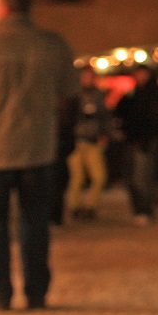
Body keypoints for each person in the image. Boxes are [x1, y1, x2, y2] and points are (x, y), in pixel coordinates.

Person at [0, 0, 76, 309]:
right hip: (39, 147)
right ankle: (36, 292)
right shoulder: (52, 45)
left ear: (3, 7)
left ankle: (1, 294)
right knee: (35, 222)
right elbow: (69, 93)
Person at [115, 64, 158, 224]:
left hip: (146, 142)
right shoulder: (131, 95)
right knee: (132, 178)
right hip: (131, 141)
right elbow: (120, 112)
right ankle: (139, 209)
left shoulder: (155, 95)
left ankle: (144, 210)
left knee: (142, 178)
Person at [65, 66, 113, 221]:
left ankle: (90, 207)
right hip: (76, 140)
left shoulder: (98, 94)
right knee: (77, 178)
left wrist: (104, 133)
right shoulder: (73, 95)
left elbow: (106, 116)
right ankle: (75, 207)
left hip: (93, 140)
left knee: (99, 177)